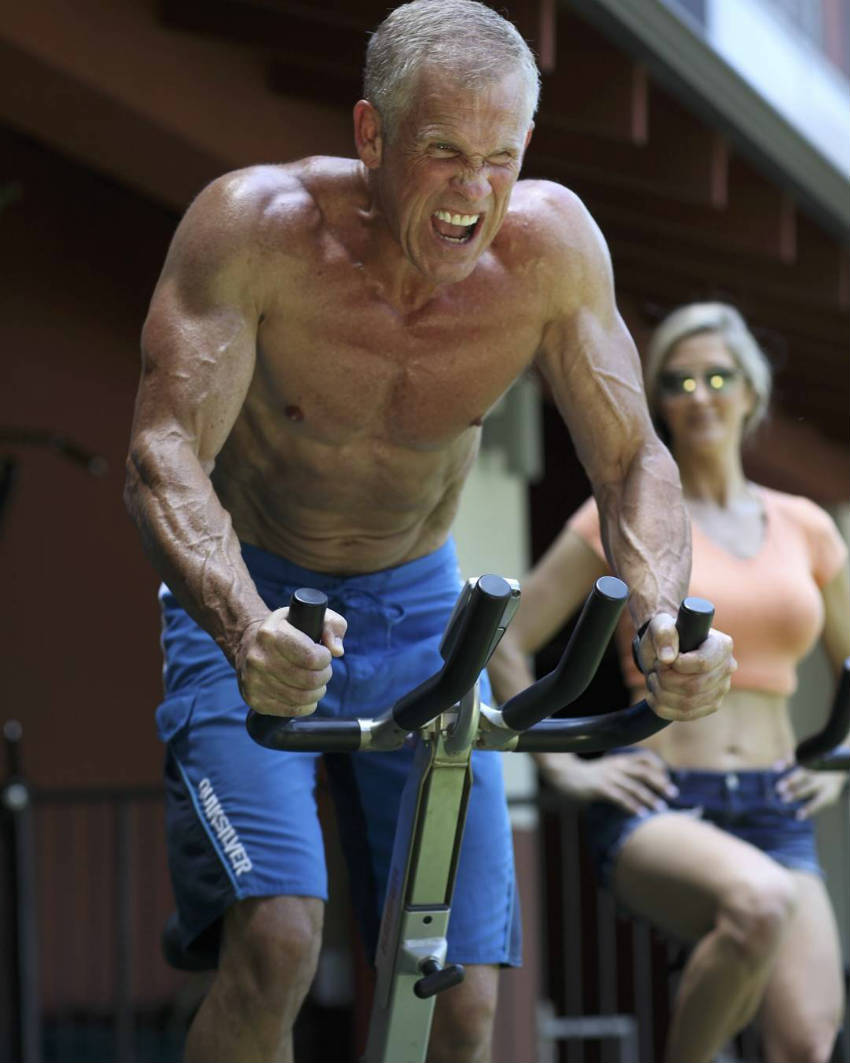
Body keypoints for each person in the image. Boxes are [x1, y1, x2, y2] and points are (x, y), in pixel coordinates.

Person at [123, 2, 735, 1059]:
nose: (474, 193)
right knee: (274, 942)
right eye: (444, 155)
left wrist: (664, 618)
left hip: (416, 608)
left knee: (457, 995)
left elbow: (631, 456)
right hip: (257, 590)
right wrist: (239, 625)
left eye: (499, 157)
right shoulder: (258, 227)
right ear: (371, 135)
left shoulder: (551, 252)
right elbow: (163, 450)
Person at [489, 301, 850, 1063]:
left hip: (777, 803)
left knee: (809, 1042)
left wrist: (838, 764)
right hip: (663, 803)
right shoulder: (624, 517)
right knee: (759, 902)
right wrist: (565, 761)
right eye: (678, 382)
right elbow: (508, 638)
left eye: (717, 376)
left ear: (750, 393)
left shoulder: (808, 527)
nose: (698, 394)